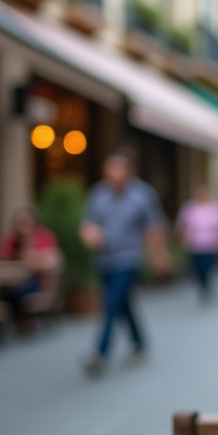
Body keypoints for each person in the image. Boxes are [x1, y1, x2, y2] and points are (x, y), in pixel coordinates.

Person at [80, 153, 169, 375]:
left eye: (118, 172)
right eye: (110, 172)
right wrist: (91, 234)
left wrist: (158, 256)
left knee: (110, 305)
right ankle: (139, 342)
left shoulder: (143, 194)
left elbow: (154, 227)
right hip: (104, 260)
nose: (113, 177)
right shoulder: (98, 194)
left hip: (129, 259)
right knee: (123, 304)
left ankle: (99, 354)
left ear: (129, 174)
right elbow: (88, 224)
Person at [0, 207, 61, 327]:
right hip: (12, 282)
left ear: (34, 224)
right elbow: (3, 259)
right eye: (20, 224)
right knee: (4, 292)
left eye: (26, 223)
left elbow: (53, 261)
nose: (23, 228)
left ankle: (23, 321)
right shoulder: (12, 240)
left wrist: (31, 257)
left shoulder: (43, 237)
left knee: (19, 292)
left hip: (36, 281)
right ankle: (20, 322)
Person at [176, 185, 218, 303]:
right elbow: (182, 225)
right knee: (197, 268)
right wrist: (182, 239)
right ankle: (202, 285)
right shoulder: (189, 208)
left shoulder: (216, 208)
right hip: (194, 243)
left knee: (207, 266)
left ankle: (207, 285)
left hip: (210, 242)